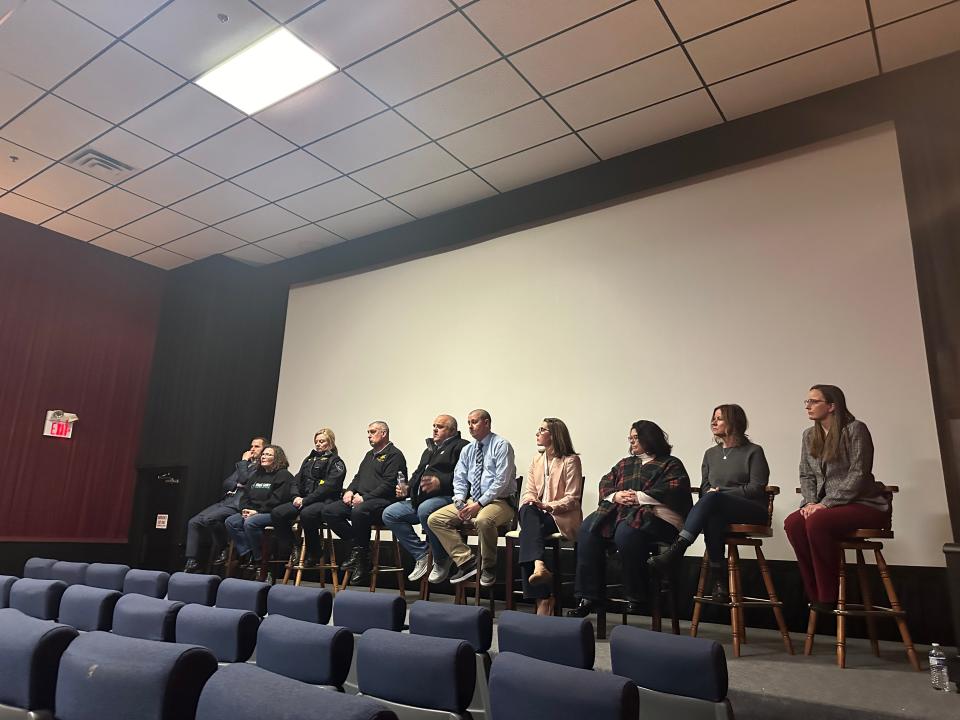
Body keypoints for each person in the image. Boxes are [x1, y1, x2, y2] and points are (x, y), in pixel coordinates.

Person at [568, 420, 691, 617]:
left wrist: (638, 497)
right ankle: (589, 596)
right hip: (621, 514)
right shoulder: (625, 463)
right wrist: (615, 496)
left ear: (649, 438)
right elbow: (606, 482)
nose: (632, 442)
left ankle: (638, 597)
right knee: (588, 530)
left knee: (627, 533)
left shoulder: (670, 463)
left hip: (658, 519)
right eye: (630, 438)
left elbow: (674, 489)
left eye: (636, 438)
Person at [784, 384, 890, 610]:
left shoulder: (855, 429)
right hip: (826, 507)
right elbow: (806, 473)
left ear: (832, 406)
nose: (808, 406)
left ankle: (829, 594)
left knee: (817, 521)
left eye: (814, 401)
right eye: (807, 402)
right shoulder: (809, 435)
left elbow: (859, 473)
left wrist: (825, 504)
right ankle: (815, 593)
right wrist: (811, 502)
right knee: (793, 522)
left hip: (863, 504)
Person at [648, 404, 769, 601]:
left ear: (734, 421)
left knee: (713, 499)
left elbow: (756, 488)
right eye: (713, 418)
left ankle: (679, 548)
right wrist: (714, 495)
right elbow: (705, 487)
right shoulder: (710, 454)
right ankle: (720, 582)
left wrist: (721, 493)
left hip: (751, 509)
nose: (713, 422)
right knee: (713, 516)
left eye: (719, 418)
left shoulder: (753, 451)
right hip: (718, 509)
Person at [427, 409, 517, 587]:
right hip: (472, 500)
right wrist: (459, 501)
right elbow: (459, 478)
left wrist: (479, 504)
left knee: (483, 520)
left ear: (487, 423)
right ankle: (466, 561)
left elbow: (501, 481)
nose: (470, 426)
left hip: (500, 501)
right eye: (468, 422)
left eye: (474, 422)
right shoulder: (468, 449)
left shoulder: (501, 445)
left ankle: (489, 566)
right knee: (435, 519)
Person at [382, 414, 469, 584]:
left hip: (447, 499)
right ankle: (422, 554)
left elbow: (466, 477)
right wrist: (407, 489)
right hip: (421, 499)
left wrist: (441, 482)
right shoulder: (429, 450)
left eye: (440, 426)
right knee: (390, 513)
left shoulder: (462, 447)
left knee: (425, 510)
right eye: (434, 426)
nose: (435, 429)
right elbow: (417, 475)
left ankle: (441, 558)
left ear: (452, 430)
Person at [322, 421, 407, 586]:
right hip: (362, 500)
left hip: (383, 502)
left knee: (359, 511)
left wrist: (365, 498)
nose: (369, 435)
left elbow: (389, 484)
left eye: (373, 431)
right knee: (330, 511)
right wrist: (350, 491)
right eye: (368, 432)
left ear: (383, 433)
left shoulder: (394, 455)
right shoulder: (369, 455)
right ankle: (360, 550)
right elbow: (358, 477)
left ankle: (361, 557)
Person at [519, 417, 583, 615]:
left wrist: (546, 505)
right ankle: (541, 575)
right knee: (527, 510)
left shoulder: (571, 460)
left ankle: (543, 597)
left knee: (526, 535)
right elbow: (529, 490)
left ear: (554, 435)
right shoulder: (537, 460)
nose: (537, 433)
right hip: (536, 515)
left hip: (559, 516)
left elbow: (573, 498)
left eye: (542, 430)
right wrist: (533, 502)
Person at [183, 437, 266, 573]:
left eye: (256, 446)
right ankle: (192, 561)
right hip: (226, 500)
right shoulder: (247, 466)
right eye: (251, 446)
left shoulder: (260, 467)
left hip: (238, 504)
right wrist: (238, 483)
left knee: (209, 519)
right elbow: (226, 483)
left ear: (264, 449)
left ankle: (224, 547)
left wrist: (244, 461)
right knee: (193, 522)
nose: (252, 449)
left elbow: (245, 479)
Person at [270, 429, 347, 567]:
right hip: (303, 500)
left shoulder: (336, 462)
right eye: (316, 441)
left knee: (307, 514)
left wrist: (306, 500)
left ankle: (315, 553)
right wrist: (295, 496)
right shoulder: (309, 459)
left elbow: (329, 487)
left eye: (322, 441)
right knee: (277, 513)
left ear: (330, 442)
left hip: (324, 502)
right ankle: (294, 547)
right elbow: (295, 481)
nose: (318, 444)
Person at [225, 444, 294, 570]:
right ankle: (249, 553)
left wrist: (257, 511)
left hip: (271, 513)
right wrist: (244, 509)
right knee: (231, 522)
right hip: (253, 512)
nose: (263, 457)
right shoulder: (257, 475)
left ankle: (260, 559)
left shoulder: (284, 475)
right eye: (263, 454)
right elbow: (245, 496)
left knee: (250, 523)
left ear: (277, 458)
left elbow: (278, 500)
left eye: (268, 454)